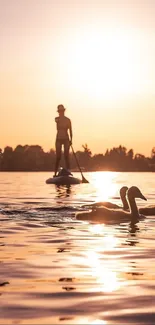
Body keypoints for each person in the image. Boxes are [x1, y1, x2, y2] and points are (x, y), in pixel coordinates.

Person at [54, 104, 72, 177]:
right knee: (58, 157)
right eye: (60, 111)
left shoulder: (68, 120)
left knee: (66, 156)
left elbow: (70, 130)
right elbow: (56, 121)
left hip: (66, 139)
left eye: (62, 111)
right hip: (58, 139)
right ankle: (55, 173)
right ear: (58, 112)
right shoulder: (57, 119)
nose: (61, 112)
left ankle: (68, 172)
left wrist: (71, 139)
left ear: (64, 111)